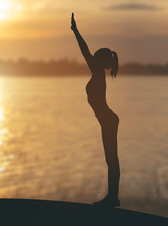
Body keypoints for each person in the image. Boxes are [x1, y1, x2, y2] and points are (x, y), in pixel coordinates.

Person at [71, 13, 120, 207]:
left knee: (111, 159)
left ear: (99, 60)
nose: (91, 58)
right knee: (111, 158)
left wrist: (75, 30)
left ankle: (113, 197)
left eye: (95, 56)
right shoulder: (97, 74)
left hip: (108, 120)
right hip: (108, 120)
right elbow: (86, 51)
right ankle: (113, 196)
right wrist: (75, 30)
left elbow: (84, 50)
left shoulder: (98, 75)